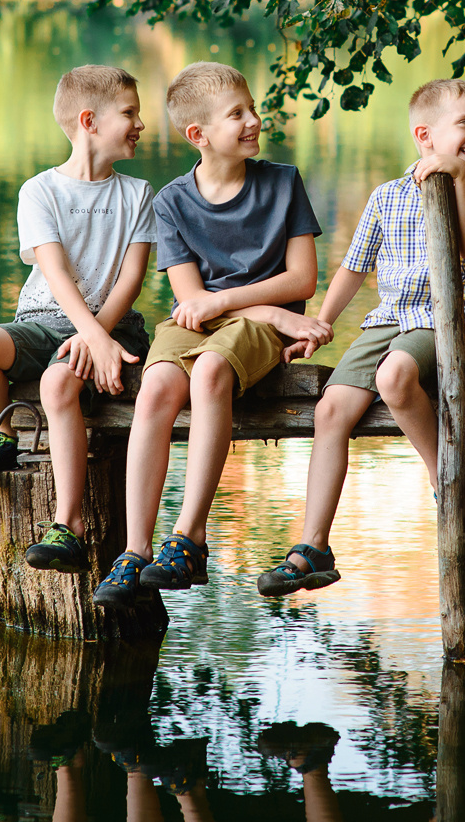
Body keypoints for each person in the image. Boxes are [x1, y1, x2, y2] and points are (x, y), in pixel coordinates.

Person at [94, 62, 329, 607]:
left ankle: (190, 536)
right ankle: (135, 550)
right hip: (225, 319)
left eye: (251, 107)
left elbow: (302, 278)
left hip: (248, 327)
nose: (253, 120)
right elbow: (187, 302)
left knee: (211, 370)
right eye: (237, 114)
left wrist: (251, 310)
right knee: (155, 388)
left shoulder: (282, 182)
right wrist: (272, 312)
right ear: (197, 135)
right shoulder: (171, 201)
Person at [255, 79, 465, 598]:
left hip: (446, 323)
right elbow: (353, 268)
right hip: (388, 321)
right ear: (424, 134)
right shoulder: (386, 195)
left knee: (395, 377)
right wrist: (320, 323)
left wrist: (457, 178)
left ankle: (451, 491)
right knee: (331, 409)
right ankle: (313, 546)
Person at [0, 65, 156, 575]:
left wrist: (100, 336)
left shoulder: (137, 194)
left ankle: (69, 526)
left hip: (115, 323)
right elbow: (56, 272)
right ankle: (10, 434)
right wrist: (87, 334)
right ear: (89, 120)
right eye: (129, 113)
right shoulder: (39, 191)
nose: (141, 123)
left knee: (59, 382)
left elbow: (131, 280)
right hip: (46, 319)